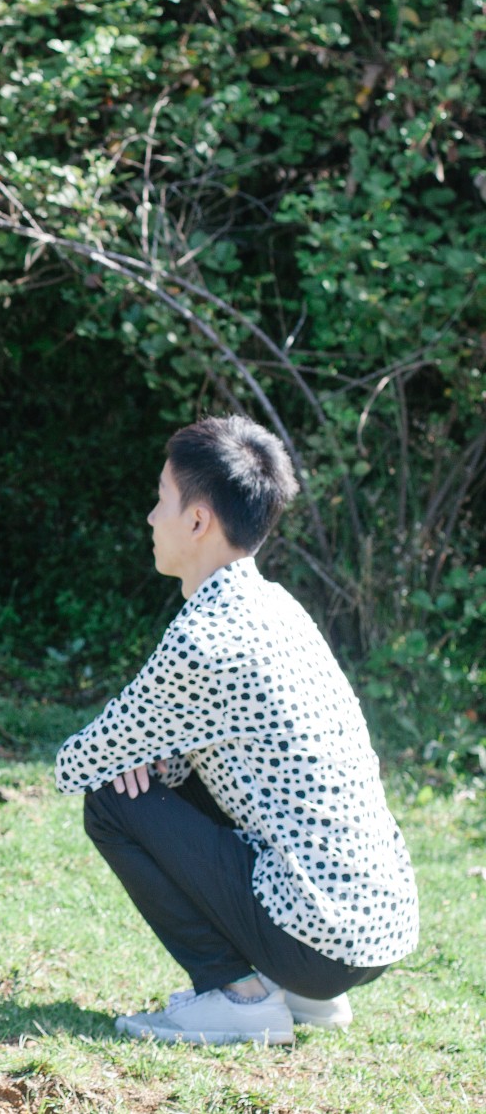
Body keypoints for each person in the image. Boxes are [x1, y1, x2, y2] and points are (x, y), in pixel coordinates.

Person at [54, 415, 418, 1045]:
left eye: (162, 499)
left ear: (198, 520)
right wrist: (161, 758)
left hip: (317, 938)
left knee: (112, 797)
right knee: (167, 771)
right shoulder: (277, 606)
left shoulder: (205, 639)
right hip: (375, 928)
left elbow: (76, 765)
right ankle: (302, 996)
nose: (150, 517)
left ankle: (237, 996)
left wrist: (140, 759)